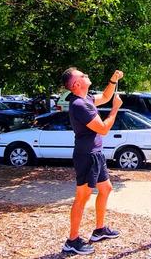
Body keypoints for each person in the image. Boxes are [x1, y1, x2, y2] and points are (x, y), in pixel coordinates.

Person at [61, 67, 124, 255]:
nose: (87, 75)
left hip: (96, 154)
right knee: (82, 197)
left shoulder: (87, 99)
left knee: (106, 189)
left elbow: (105, 96)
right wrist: (115, 109)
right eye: (83, 75)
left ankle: (99, 230)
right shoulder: (80, 105)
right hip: (86, 156)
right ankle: (71, 241)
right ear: (77, 84)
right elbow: (103, 128)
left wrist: (112, 81)